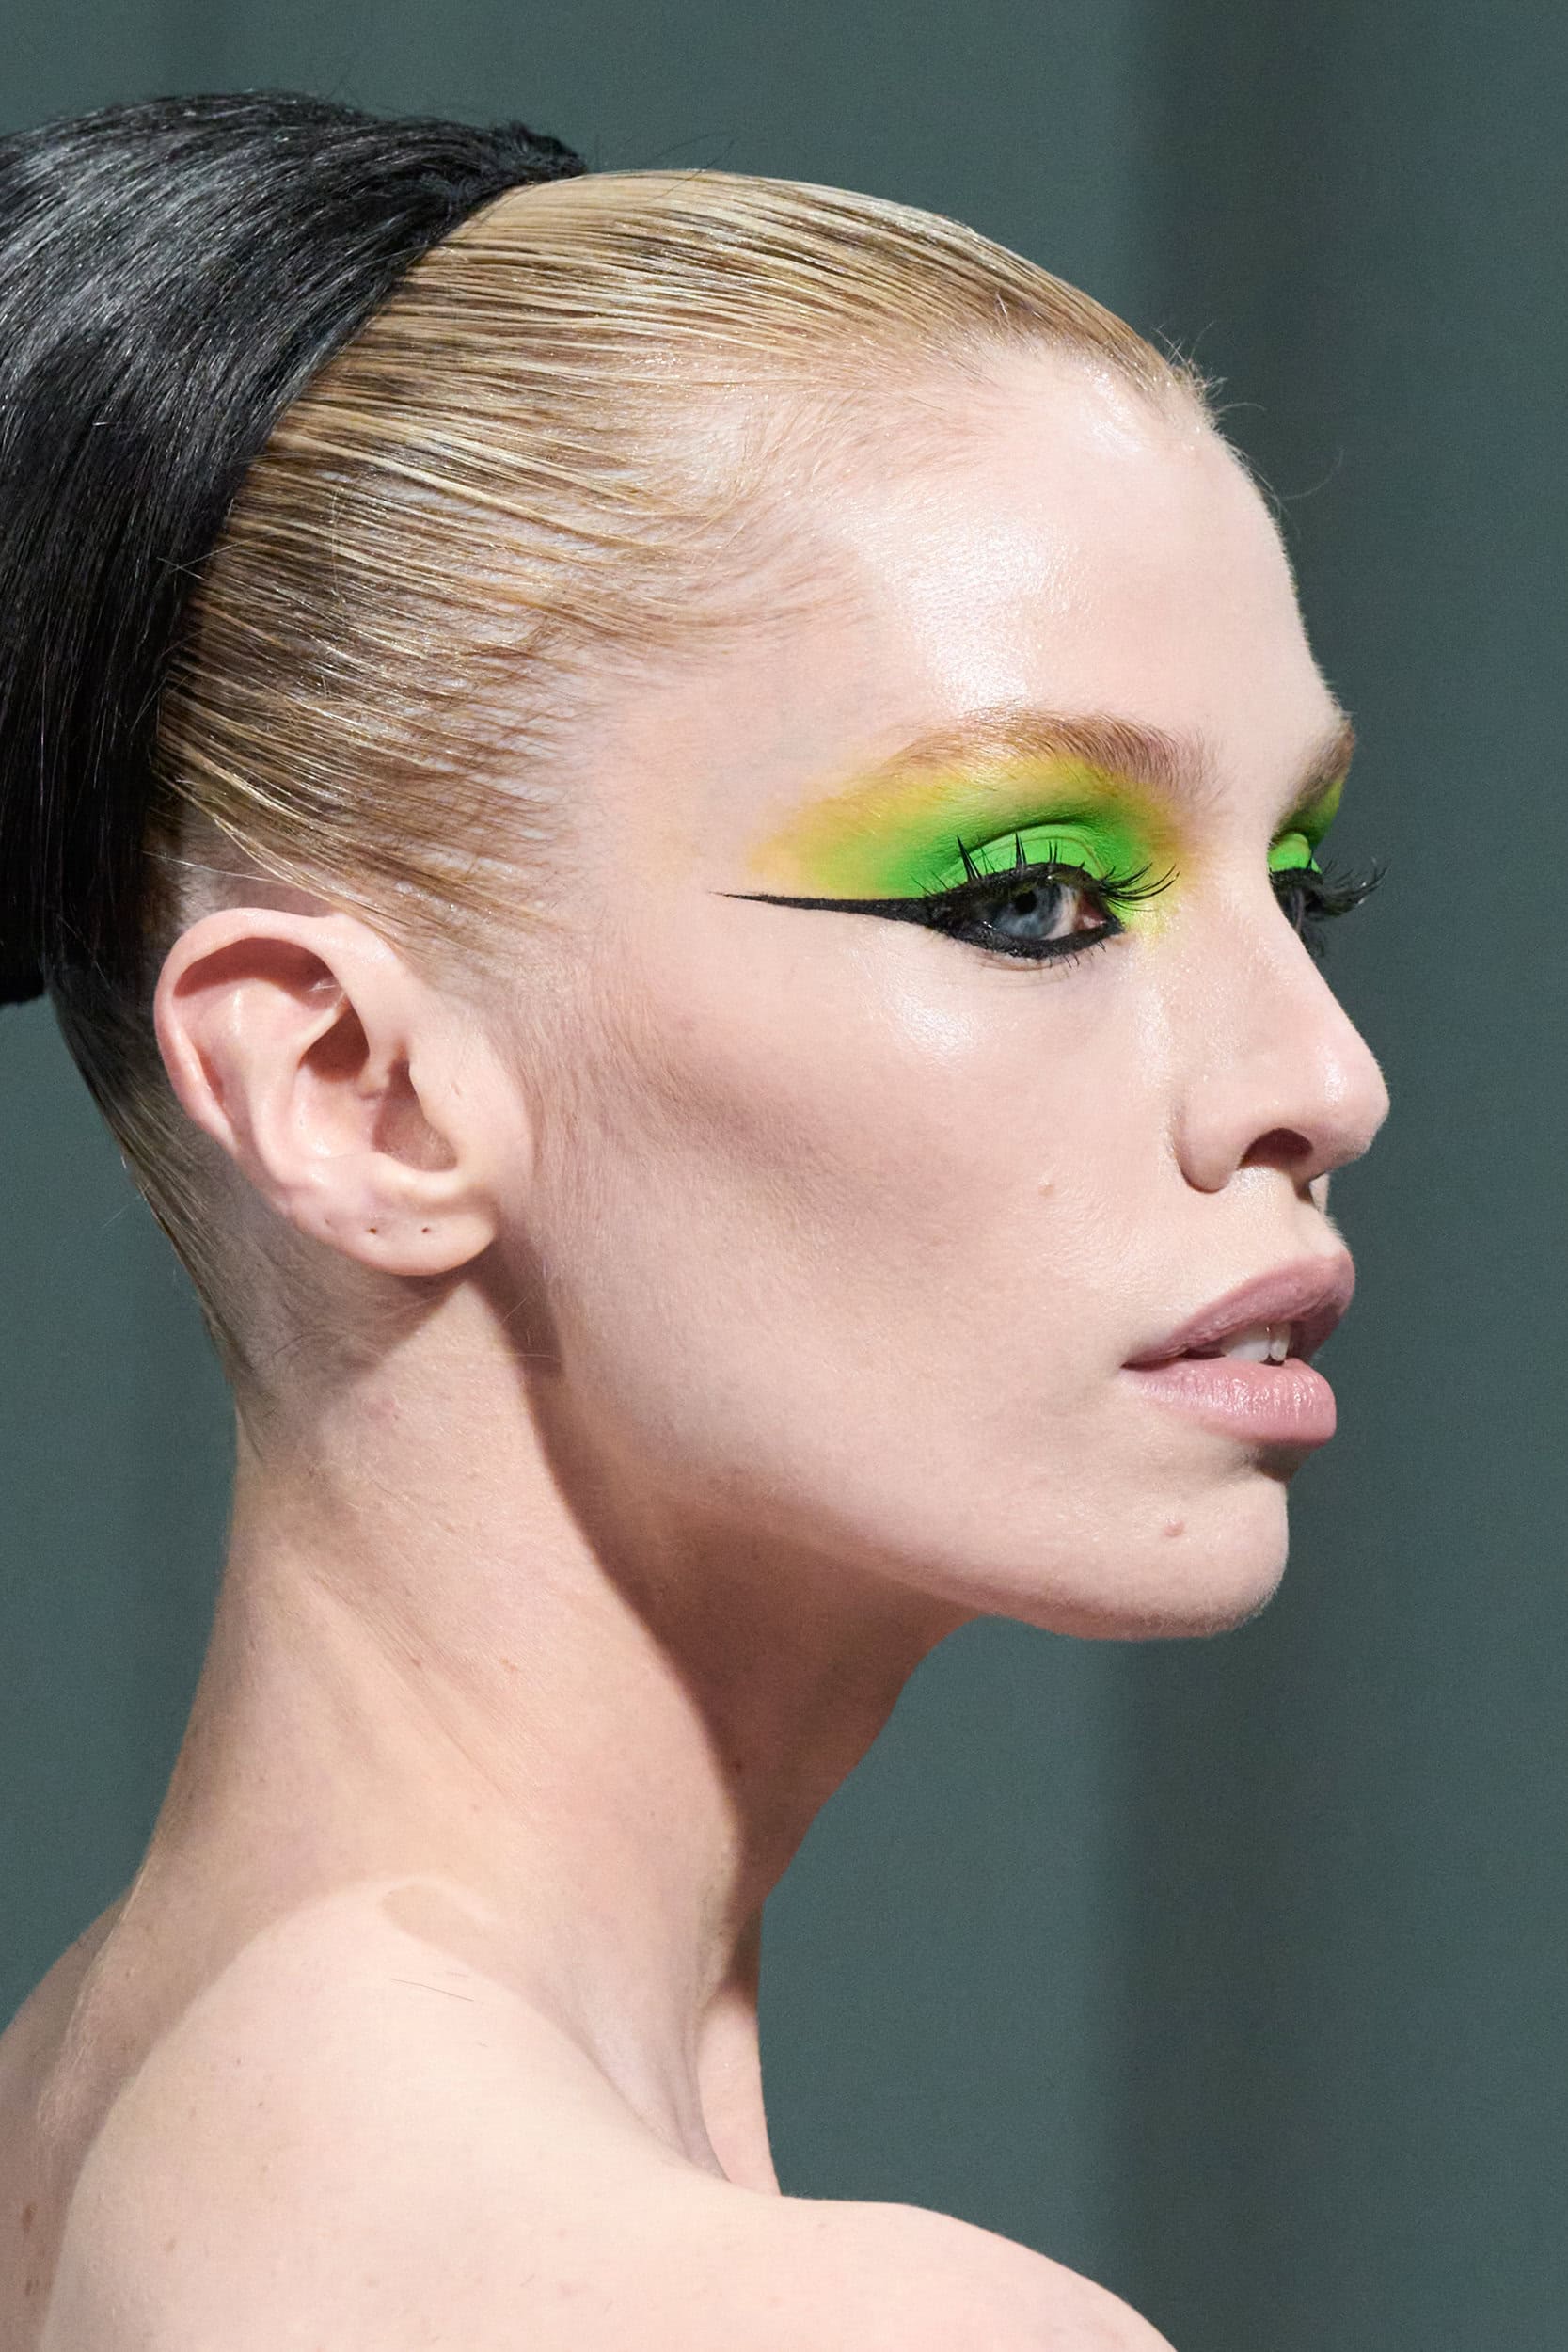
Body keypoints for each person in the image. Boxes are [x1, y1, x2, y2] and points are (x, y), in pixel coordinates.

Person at [0, 92, 1387, 2350]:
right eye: (1030, 895)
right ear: (347, 1084)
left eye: (1302, 879)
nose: (1320, 1073)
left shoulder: (109, 2118)